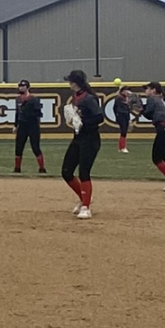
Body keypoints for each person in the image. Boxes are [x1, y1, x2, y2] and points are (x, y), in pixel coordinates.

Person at [61, 70, 103, 219]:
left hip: (90, 139)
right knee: (66, 171)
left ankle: (86, 207)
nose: (69, 84)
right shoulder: (76, 97)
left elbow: (99, 117)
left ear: (75, 83)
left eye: (70, 81)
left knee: (84, 171)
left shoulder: (89, 98)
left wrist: (84, 122)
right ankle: (85, 198)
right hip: (78, 138)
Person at [12, 79, 46, 174]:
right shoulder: (18, 99)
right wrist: (15, 125)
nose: (21, 87)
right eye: (20, 86)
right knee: (18, 147)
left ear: (27, 87)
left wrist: (31, 112)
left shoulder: (34, 99)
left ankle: (42, 168)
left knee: (35, 147)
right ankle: (17, 168)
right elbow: (17, 113)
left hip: (32, 126)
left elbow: (39, 113)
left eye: (23, 86)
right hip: (22, 126)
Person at [114, 86, 132, 153]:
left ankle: (122, 147)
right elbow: (115, 108)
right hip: (121, 116)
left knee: (124, 132)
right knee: (123, 131)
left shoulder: (126, 99)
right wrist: (117, 116)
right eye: (126, 90)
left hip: (126, 116)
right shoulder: (119, 98)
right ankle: (122, 147)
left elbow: (128, 109)